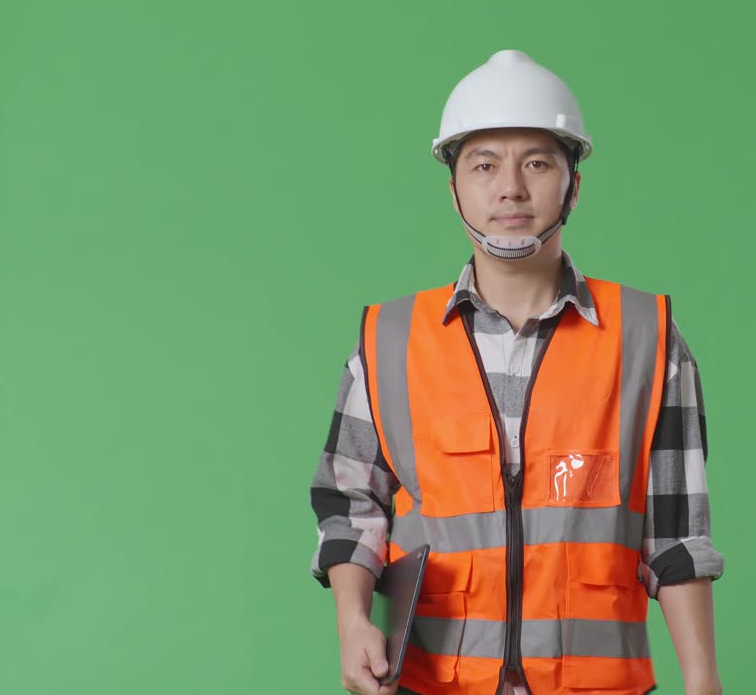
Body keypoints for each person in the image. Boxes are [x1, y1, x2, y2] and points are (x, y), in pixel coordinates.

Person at [310, 49, 724, 695]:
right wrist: (352, 619)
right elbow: (349, 503)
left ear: (573, 185)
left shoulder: (647, 338)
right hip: (434, 684)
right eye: (484, 165)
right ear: (454, 191)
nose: (510, 187)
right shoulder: (389, 341)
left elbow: (676, 533)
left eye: (536, 163)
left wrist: (703, 683)